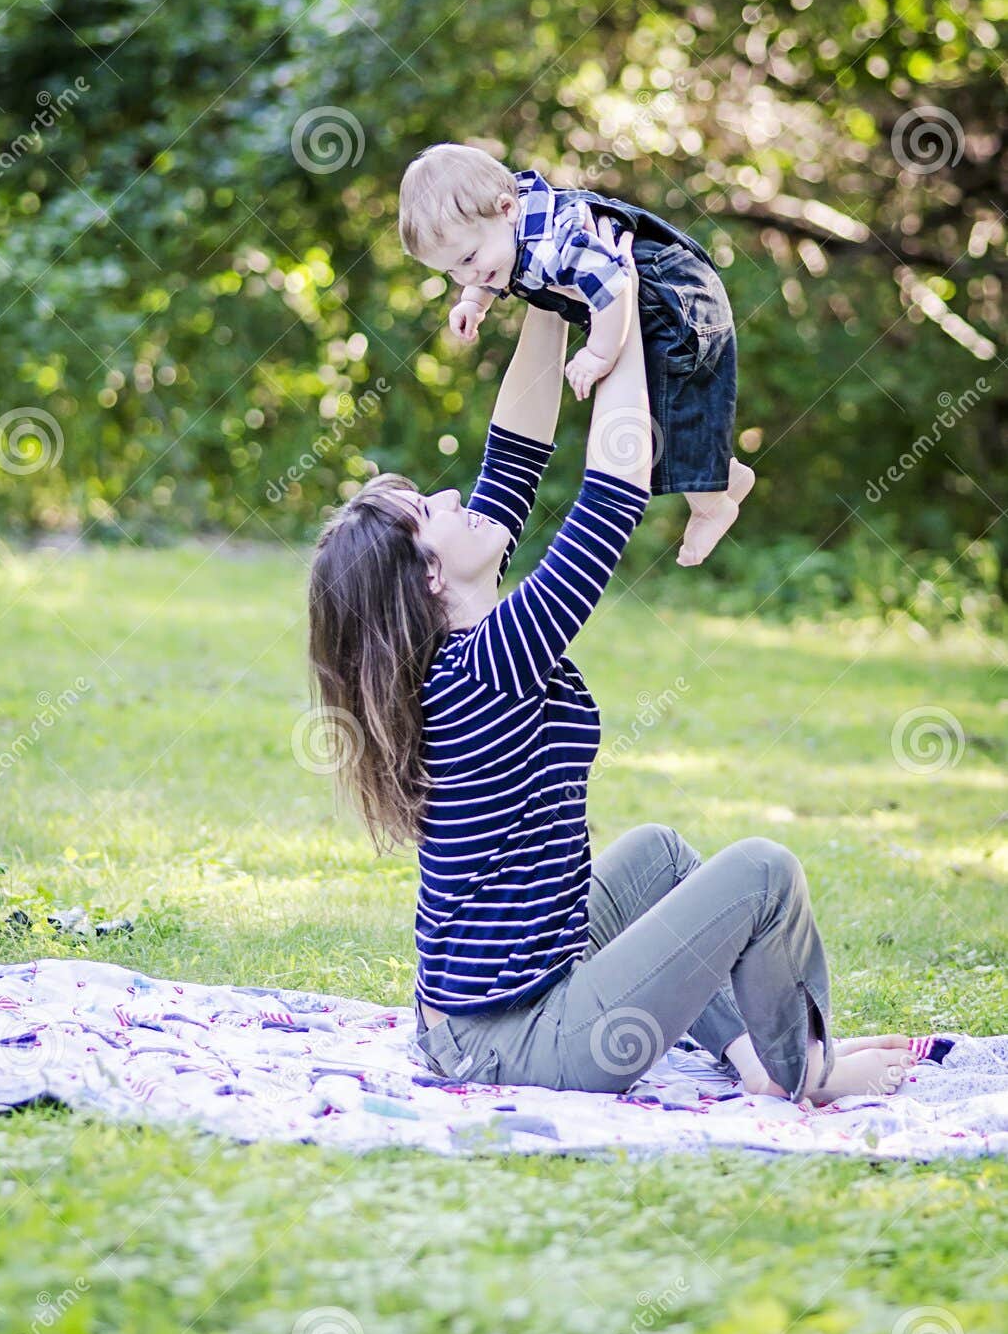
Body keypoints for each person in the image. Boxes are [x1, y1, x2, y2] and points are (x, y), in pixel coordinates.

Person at [308, 221, 911, 1104]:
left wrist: (542, 275)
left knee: (662, 856)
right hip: (516, 1040)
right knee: (762, 871)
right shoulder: (487, 665)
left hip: (498, 1007)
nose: (452, 495)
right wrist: (612, 307)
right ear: (431, 576)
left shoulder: (472, 637)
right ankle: (805, 1070)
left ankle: (750, 1053)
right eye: (428, 510)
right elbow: (611, 495)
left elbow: (514, 451)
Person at [398, 141, 755, 567]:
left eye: (470, 258)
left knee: (665, 411)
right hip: (651, 298)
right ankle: (722, 477)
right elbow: (488, 273)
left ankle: (712, 505)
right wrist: (473, 303)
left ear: (507, 208)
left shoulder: (555, 243)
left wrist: (599, 354)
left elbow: (615, 283)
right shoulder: (503, 236)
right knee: (656, 420)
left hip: (675, 298)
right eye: (452, 269)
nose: (467, 274)